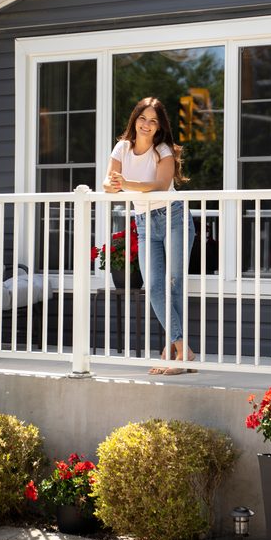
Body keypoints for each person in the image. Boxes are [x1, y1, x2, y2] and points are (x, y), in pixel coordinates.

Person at [103, 97, 195, 375]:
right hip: (143, 222)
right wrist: (110, 184)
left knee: (174, 286)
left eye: (153, 121)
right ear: (135, 120)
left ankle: (174, 355)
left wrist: (124, 183)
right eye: (143, 118)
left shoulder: (163, 149)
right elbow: (109, 184)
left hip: (174, 217)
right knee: (154, 287)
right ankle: (182, 350)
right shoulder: (122, 148)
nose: (147, 125)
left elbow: (160, 185)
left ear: (159, 127)